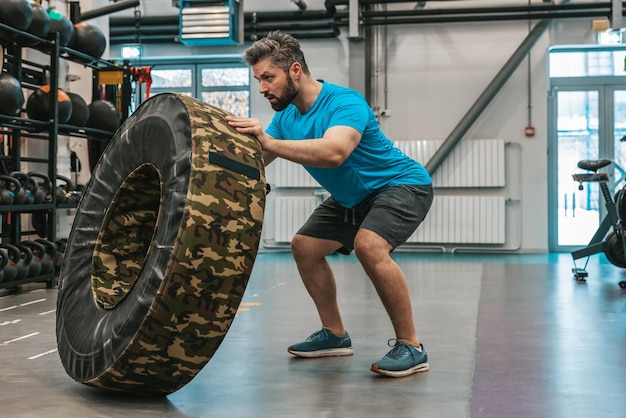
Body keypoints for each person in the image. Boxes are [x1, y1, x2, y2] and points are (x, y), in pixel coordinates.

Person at [226, 31, 434, 378]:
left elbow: (335, 152)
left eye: (267, 77)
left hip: (401, 185)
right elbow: (257, 159)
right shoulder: (286, 119)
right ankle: (335, 335)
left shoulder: (344, 102)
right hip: (352, 198)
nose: (262, 88)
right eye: (258, 79)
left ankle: (412, 347)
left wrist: (269, 142)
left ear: (294, 70)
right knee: (304, 247)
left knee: (370, 245)